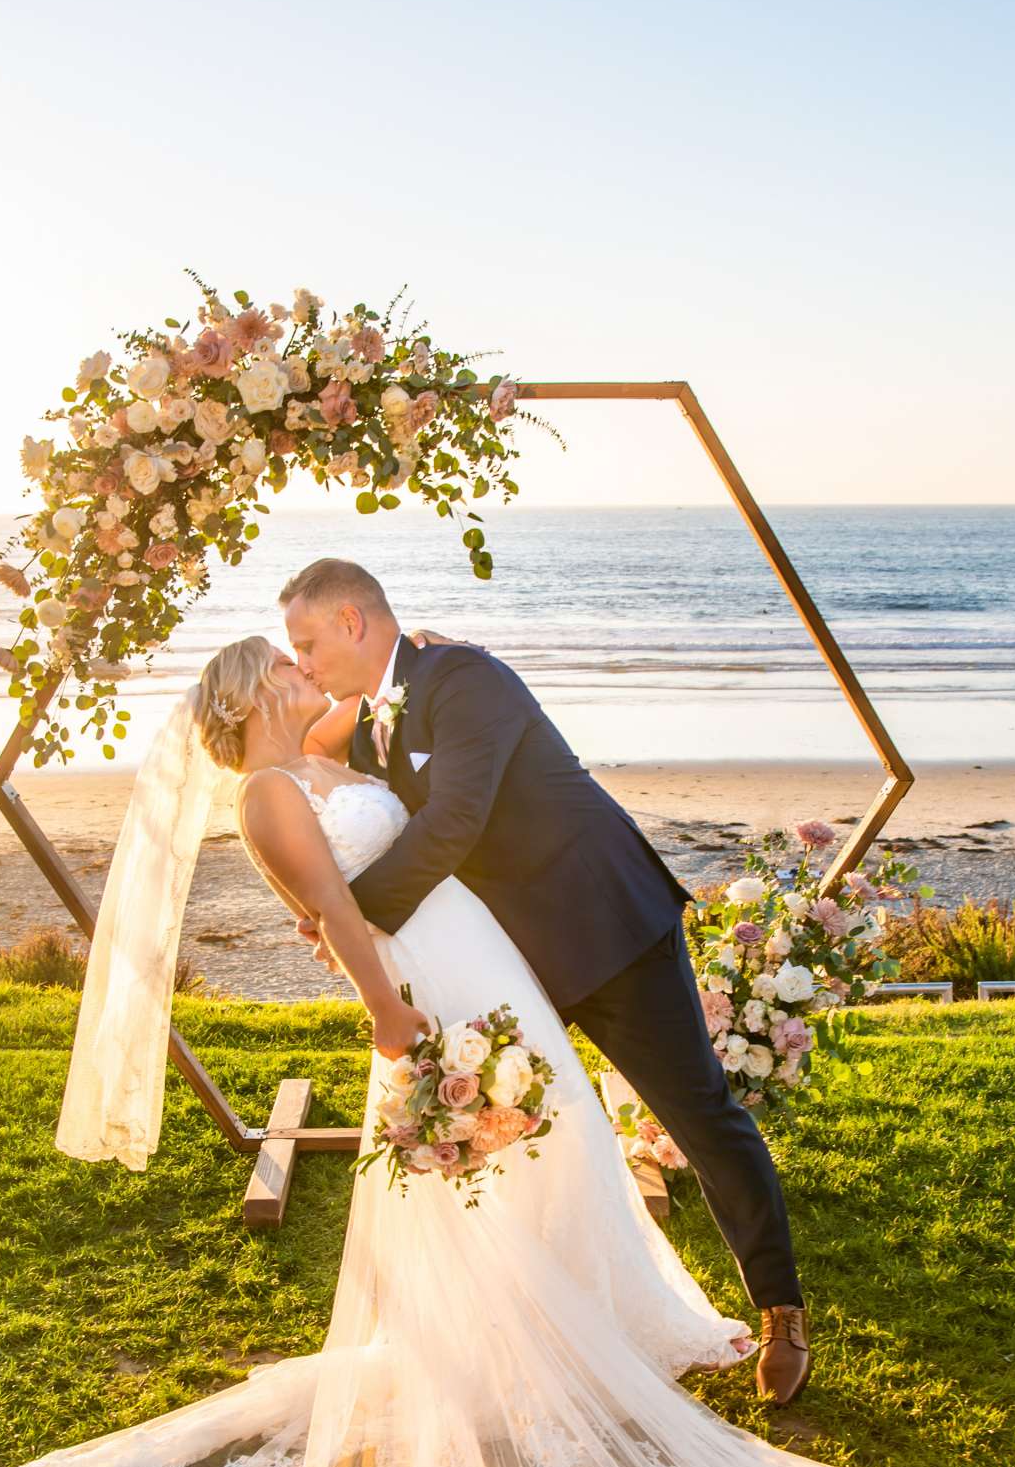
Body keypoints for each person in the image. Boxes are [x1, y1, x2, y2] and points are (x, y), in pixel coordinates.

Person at [0, 630, 1015, 1467]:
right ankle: (511, 1356)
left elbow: (384, 787)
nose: (303, 667)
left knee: (564, 1155)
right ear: (254, 694)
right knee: (501, 1173)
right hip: (434, 993)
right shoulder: (270, 796)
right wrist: (400, 1028)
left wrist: (381, 706)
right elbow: (332, 916)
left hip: (484, 972)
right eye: (286, 661)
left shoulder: (320, 757)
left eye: (304, 645)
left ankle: (567, 1323)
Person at [279, 558, 813, 1403]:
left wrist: (351, 921)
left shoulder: (462, 677)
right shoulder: (375, 719)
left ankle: (781, 1309)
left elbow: (454, 821)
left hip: (605, 928)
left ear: (352, 621)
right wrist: (339, 916)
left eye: (305, 642)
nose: (302, 661)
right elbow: (292, 747)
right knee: (538, 1133)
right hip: (506, 961)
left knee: (699, 1110)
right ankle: (551, 1321)